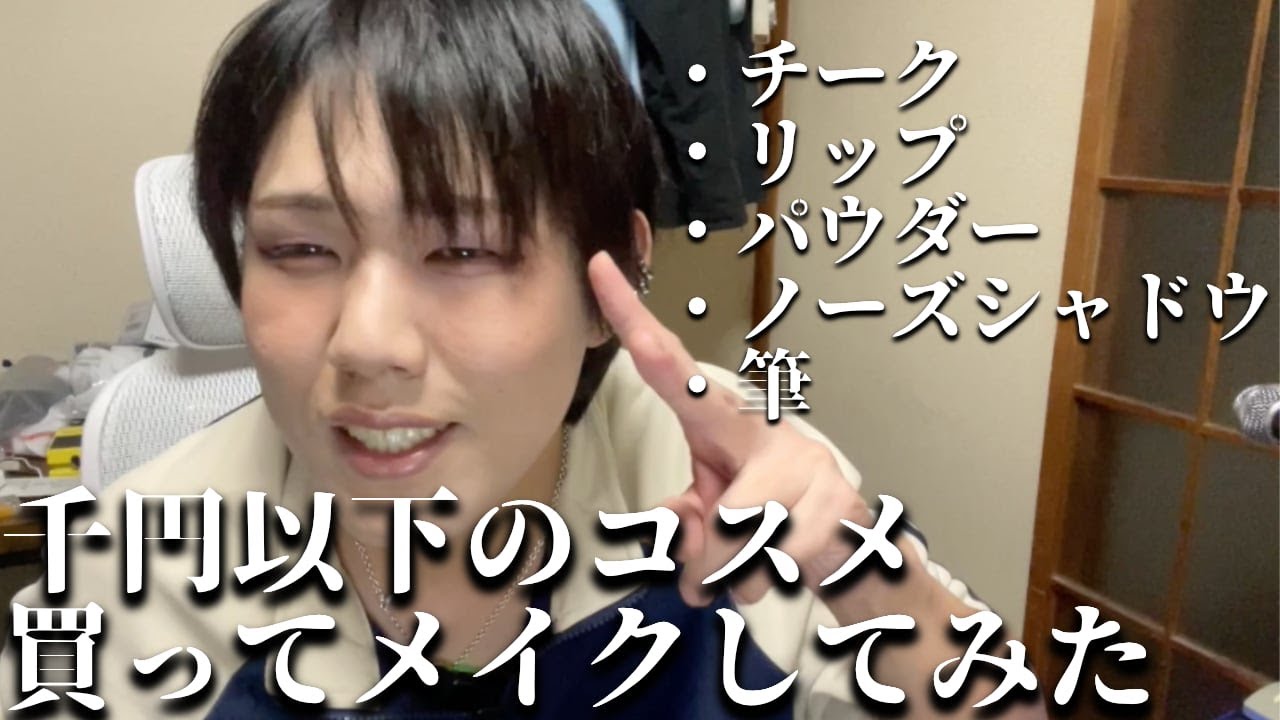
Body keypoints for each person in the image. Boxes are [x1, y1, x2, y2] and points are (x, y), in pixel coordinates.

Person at [1, 1, 1047, 717]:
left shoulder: (734, 481)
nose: (365, 344)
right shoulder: (124, 574)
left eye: (464, 251)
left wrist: (872, 583)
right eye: (300, 251)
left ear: (612, 279)